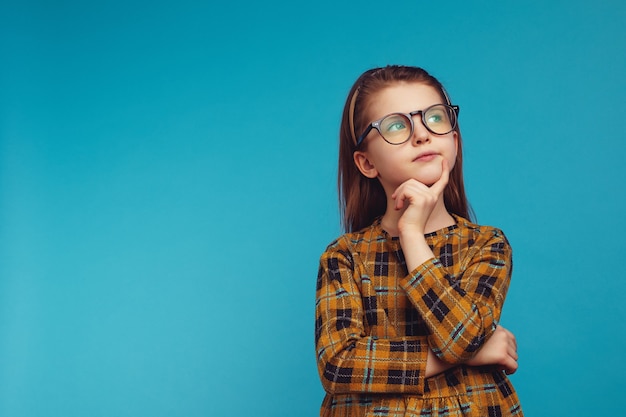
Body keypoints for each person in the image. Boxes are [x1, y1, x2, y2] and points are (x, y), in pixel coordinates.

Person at [315, 65, 523, 416]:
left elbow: (460, 338)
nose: (422, 135)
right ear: (366, 163)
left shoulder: (487, 245)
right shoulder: (344, 256)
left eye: (435, 118)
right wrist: (473, 353)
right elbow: (338, 363)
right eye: (397, 125)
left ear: (453, 141)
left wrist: (412, 235)